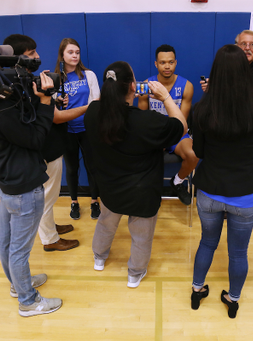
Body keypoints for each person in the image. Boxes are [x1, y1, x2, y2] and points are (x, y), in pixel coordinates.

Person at [0, 37, 62, 317]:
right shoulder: (0, 109)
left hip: (6, 182)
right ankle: (28, 301)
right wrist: (45, 100)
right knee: (18, 250)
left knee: (5, 243)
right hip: (23, 187)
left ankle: (19, 285)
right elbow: (36, 138)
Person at [85, 61, 187, 288]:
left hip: (110, 188)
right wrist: (165, 97)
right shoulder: (147, 122)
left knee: (105, 224)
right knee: (141, 236)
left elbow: (103, 106)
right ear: (133, 86)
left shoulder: (93, 113)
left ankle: (99, 258)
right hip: (142, 192)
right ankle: (134, 274)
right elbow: (181, 126)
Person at [190, 45, 253, 318]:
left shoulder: (202, 109)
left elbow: (199, 152)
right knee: (238, 253)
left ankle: (197, 290)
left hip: (210, 191)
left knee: (206, 243)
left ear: (216, 73)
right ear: (244, 72)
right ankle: (233, 299)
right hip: (247, 194)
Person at [3, 34, 79, 252]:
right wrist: (88, 109)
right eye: (31, 54)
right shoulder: (17, 86)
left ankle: (48, 228)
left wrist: (52, 99)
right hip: (45, 148)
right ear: (17, 58)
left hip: (50, 145)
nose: (37, 56)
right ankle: (50, 239)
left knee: (50, 195)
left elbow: (39, 110)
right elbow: (53, 117)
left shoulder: (27, 81)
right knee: (47, 196)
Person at [138, 44, 195, 205]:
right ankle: (147, 188)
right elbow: (142, 119)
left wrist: (165, 141)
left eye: (170, 62)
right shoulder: (147, 86)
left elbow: (181, 124)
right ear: (156, 64)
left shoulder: (186, 86)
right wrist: (156, 139)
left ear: (176, 63)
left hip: (177, 134)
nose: (167, 66)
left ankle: (177, 182)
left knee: (194, 154)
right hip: (154, 133)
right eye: (163, 62)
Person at [54, 38, 101, 220]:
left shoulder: (89, 75)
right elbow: (52, 106)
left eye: (77, 52)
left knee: (92, 166)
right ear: (62, 55)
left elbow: (96, 101)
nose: (74, 56)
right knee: (72, 168)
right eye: (70, 52)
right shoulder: (57, 78)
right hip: (67, 130)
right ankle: (74, 202)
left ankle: (94, 201)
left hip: (87, 128)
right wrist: (58, 101)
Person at [201, 30, 253, 99]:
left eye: (252, 44)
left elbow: (246, 94)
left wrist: (216, 88)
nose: (247, 48)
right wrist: (211, 86)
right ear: (236, 47)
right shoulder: (228, 64)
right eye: (243, 44)